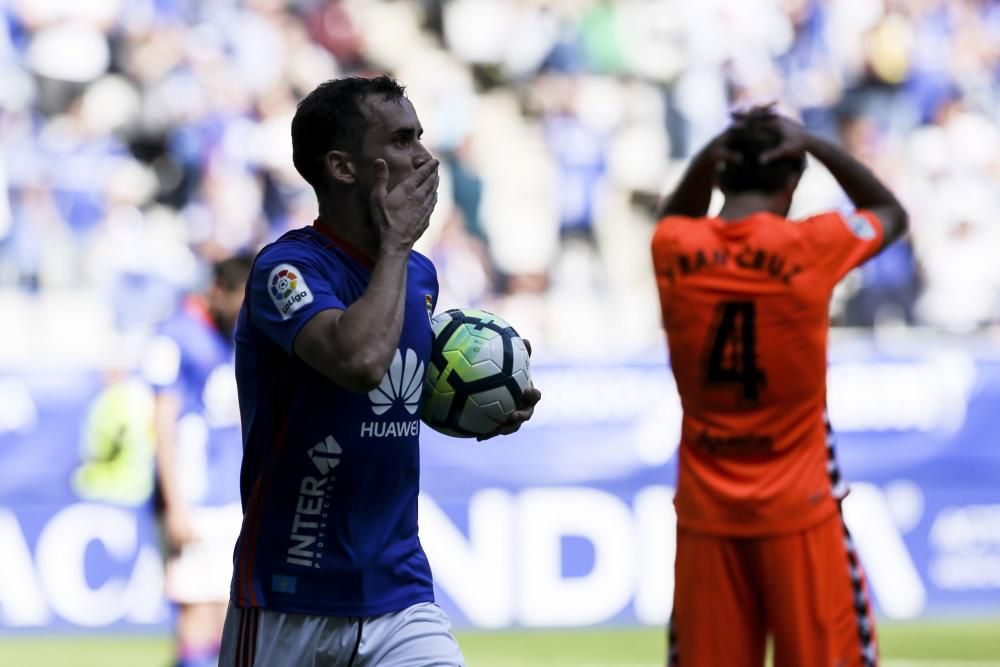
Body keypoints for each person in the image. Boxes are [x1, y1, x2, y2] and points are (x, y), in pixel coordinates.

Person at [219, 75, 541, 667]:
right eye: (399, 140)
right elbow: (358, 363)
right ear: (343, 168)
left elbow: (390, 392)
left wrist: (475, 406)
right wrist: (394, 246)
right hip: (289, 596)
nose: (423, 156)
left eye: (419, 136)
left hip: (399, 596)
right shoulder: (285, 272)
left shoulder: (418, 275)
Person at [651, 107, 908, 667]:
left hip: (706, 517)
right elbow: (889, 212)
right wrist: (816, 142)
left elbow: (673, 216)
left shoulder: (673, 246)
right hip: (801, 512)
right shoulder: (812, 245)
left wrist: (713, 151)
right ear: (792, 182)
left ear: (720, 176)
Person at [144, 254, 254, 667]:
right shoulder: (176, 337)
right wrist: (176, 506)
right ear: (216, 292)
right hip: (194, 495)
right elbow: (163, 426)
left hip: (231, 496)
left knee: (231, 620)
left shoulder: (237, 338)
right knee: (197, 617)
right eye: (240, 303)